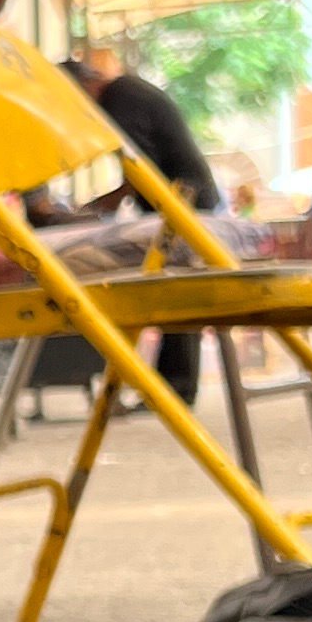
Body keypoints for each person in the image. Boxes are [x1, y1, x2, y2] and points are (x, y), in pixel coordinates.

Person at [69, 35, 220, 407]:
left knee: (176, 298)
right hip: (179, 202)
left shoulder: (120, 99)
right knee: (172, 297)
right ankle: (172, 388)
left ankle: (176, 389)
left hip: (182, 203)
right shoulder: (127, 92)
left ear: (85, 88)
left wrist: (97, 205)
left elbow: (139, 170)